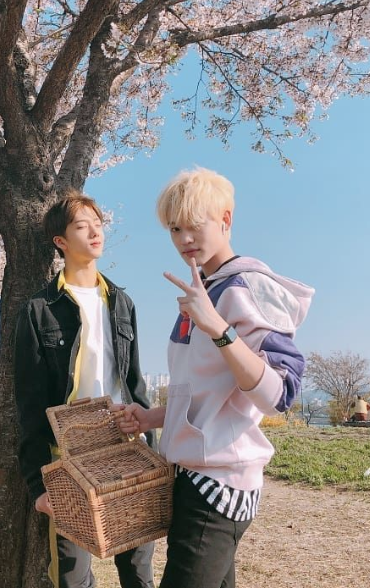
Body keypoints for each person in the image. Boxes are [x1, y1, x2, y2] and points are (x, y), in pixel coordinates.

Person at [117, 167, 309, 588]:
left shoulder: (245, 287)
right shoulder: (204, 288)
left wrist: (220, 329)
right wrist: (151, 418)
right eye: (174, 228)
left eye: (195, 224)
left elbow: (280, 394)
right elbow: (206, 395)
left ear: (225, 220)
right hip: (194, 475)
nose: (185, 238)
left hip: (218, 482)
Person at [13, 191, 155, 588]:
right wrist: (39, 487)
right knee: (73, 577)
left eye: (98, 224)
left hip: (125, 445)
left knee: (139, 570)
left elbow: (136, 384)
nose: (95, 232)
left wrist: (156, 453)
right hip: (69, 454)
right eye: (82, 225)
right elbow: (30, 405)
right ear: (60, 241)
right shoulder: (39, 309)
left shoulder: (121, 302)